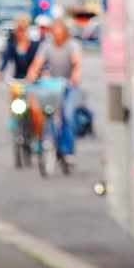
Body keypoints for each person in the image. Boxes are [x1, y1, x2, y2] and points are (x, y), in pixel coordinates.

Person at [27, 18, 83, 164]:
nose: (57, 35)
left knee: (68, 114)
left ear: (65, 32)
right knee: (48, 112)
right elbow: (37, 63)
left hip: (69, 86)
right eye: (55, 32)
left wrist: (75, 75)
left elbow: (77, 63)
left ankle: (67, 151)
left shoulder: (72, 45)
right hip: (53, 86)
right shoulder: (47, 46)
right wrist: (32, 75)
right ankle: (51, 141)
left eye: (60, 32)